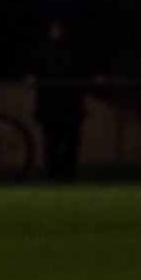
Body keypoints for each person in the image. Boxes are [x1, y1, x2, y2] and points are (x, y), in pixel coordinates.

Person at [26, 17, 86, 181]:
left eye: (60, 28)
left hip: (71, 103)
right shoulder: (42, 50)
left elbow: (84, 71)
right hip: (50, 104)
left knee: (71, 141)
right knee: (51, 141)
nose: (57, 31)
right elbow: (31, 73)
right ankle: (53, 173)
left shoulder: (73, 50)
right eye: (55, 28)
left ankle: (68, 173)